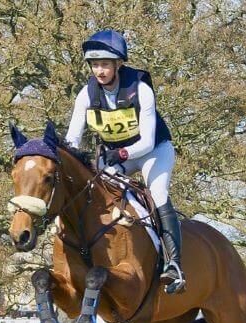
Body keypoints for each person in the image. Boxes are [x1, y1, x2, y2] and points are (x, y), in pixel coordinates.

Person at [65, 29, 185, 294]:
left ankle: (174, 264)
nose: (100, 71)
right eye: (95, 65)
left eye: (105, 64)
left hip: (153, 151)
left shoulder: (140, 90)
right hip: (117, 156)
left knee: (158, 193)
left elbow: (146, 142)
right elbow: (72, 140)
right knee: (99, 193)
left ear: (118, 64)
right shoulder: (86, 95)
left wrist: (120, 154)